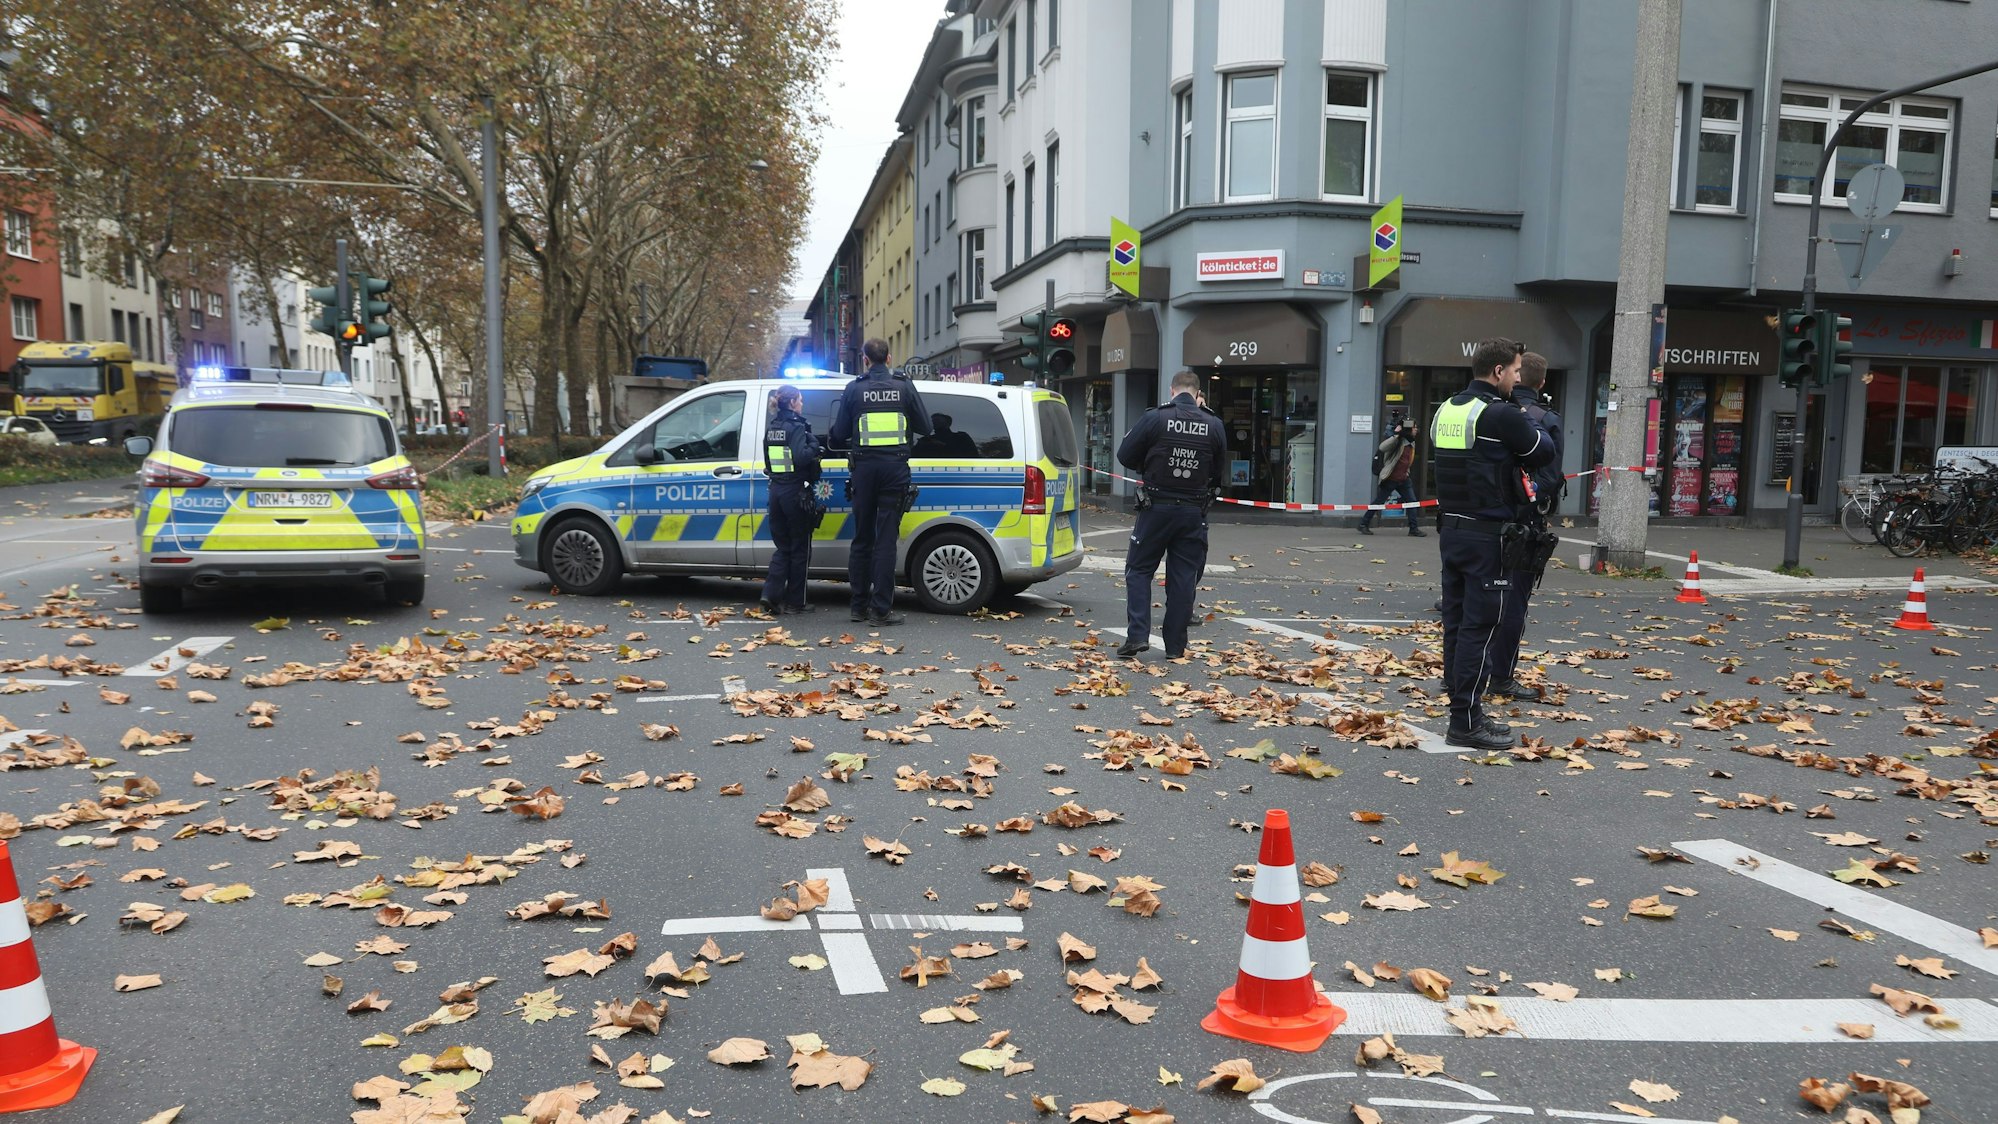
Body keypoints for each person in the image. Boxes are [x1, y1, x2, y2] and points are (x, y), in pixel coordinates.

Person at [1431, 337, 1557, 750]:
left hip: (1451, 531)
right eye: (1516, 371)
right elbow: (1543, 450)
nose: (1519, 379)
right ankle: (1466, 721)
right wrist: (1528, 415)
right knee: (1479, 629)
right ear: (1499, 371)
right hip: (1488, 537)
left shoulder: (1448, 409)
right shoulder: (1501, 414)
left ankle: (1463, 711)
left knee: (1456, 624)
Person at [1115, 370, 1227, 660]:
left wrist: (1150, 461)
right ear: (1197, 391)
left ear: (1172, 390)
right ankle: (1176, 647)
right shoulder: (1214, 424)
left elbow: (1125, 455)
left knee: (1139, 570)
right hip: (1193, 510)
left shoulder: (1156, 418)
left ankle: (1138, 636)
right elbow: (1218, 472)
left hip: (1157, 506)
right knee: (1183, 577)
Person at [831, 337, 932, 625]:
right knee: (886, 540)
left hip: (863, 471)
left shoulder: (854, 389)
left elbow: (838, 435)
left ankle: (858, 607)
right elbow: (926, 427)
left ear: (865, 359)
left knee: (862, 538)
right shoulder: (903, 386)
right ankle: (881, 610)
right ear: (889, 359)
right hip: (894, 470)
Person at [1488, 351, 1565, 700]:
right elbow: (1547, 479)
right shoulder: (1545, 419)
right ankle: (1501, 676)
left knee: (1474, 599)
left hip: (1483, 522)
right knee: (1514, 601)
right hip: (1521, 525)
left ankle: (1463, 675)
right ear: (1542, 382)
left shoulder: (1487, 410)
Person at [758, 385, 821, 617]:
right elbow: (801, 457)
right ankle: (796, 602)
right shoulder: (796, 427)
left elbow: (768, 461)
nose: (802, 404)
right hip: (795, 492)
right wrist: (814, 446)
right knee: (800, 548)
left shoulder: (772, 427)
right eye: (801, 400)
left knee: (783, 547)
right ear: (793, 402)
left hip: (776, 491)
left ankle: (770, 594)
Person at [1358, 415, 1426, 536]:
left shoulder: (1411, 442)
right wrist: (1396, 435)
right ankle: (1363, 524)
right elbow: (1382, 447)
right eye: (1414, 427)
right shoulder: (1397, 441)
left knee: (1412, 502)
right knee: (1378, 502)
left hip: (1404, 478)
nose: (1416, 429)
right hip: (1391, 478)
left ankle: (1413, 529)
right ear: (1409, 429)